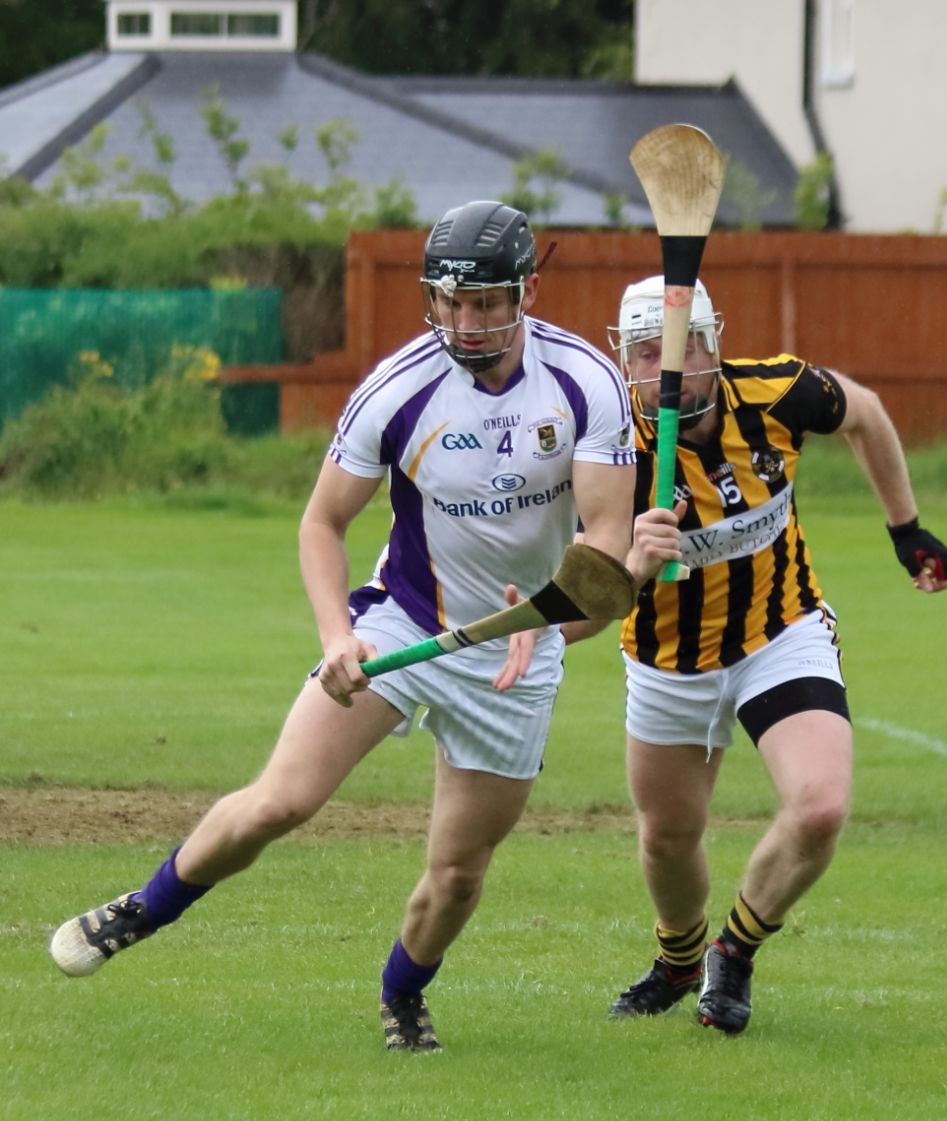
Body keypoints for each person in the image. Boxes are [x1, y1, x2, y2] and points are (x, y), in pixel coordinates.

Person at [49, 202, 684, 1052]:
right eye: (451, 302)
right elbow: (322, 524)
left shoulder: (585, 383)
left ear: (528, 289)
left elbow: (606, 538)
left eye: (488, 301)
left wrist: (554, 614)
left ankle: (402, 993)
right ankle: (145, 907)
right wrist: (335, 638)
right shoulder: (397, 389)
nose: (467, 322)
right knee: (282, 800)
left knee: (458, 877)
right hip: (403, 624)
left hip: (518, 652)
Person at [592, 274, 947, 1035]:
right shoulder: (610, 446)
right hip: (668, 657)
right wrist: (634, 562)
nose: (665, 367)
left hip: (779, 630)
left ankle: (736, 948)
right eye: (646, 352)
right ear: (622, 361)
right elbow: (588, 601)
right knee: (667, 837)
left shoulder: (775, 393)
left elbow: (869, 414)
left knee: (820, 806)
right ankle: (679, 955)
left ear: (710, 345)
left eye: (680, 347)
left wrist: (905, 528)